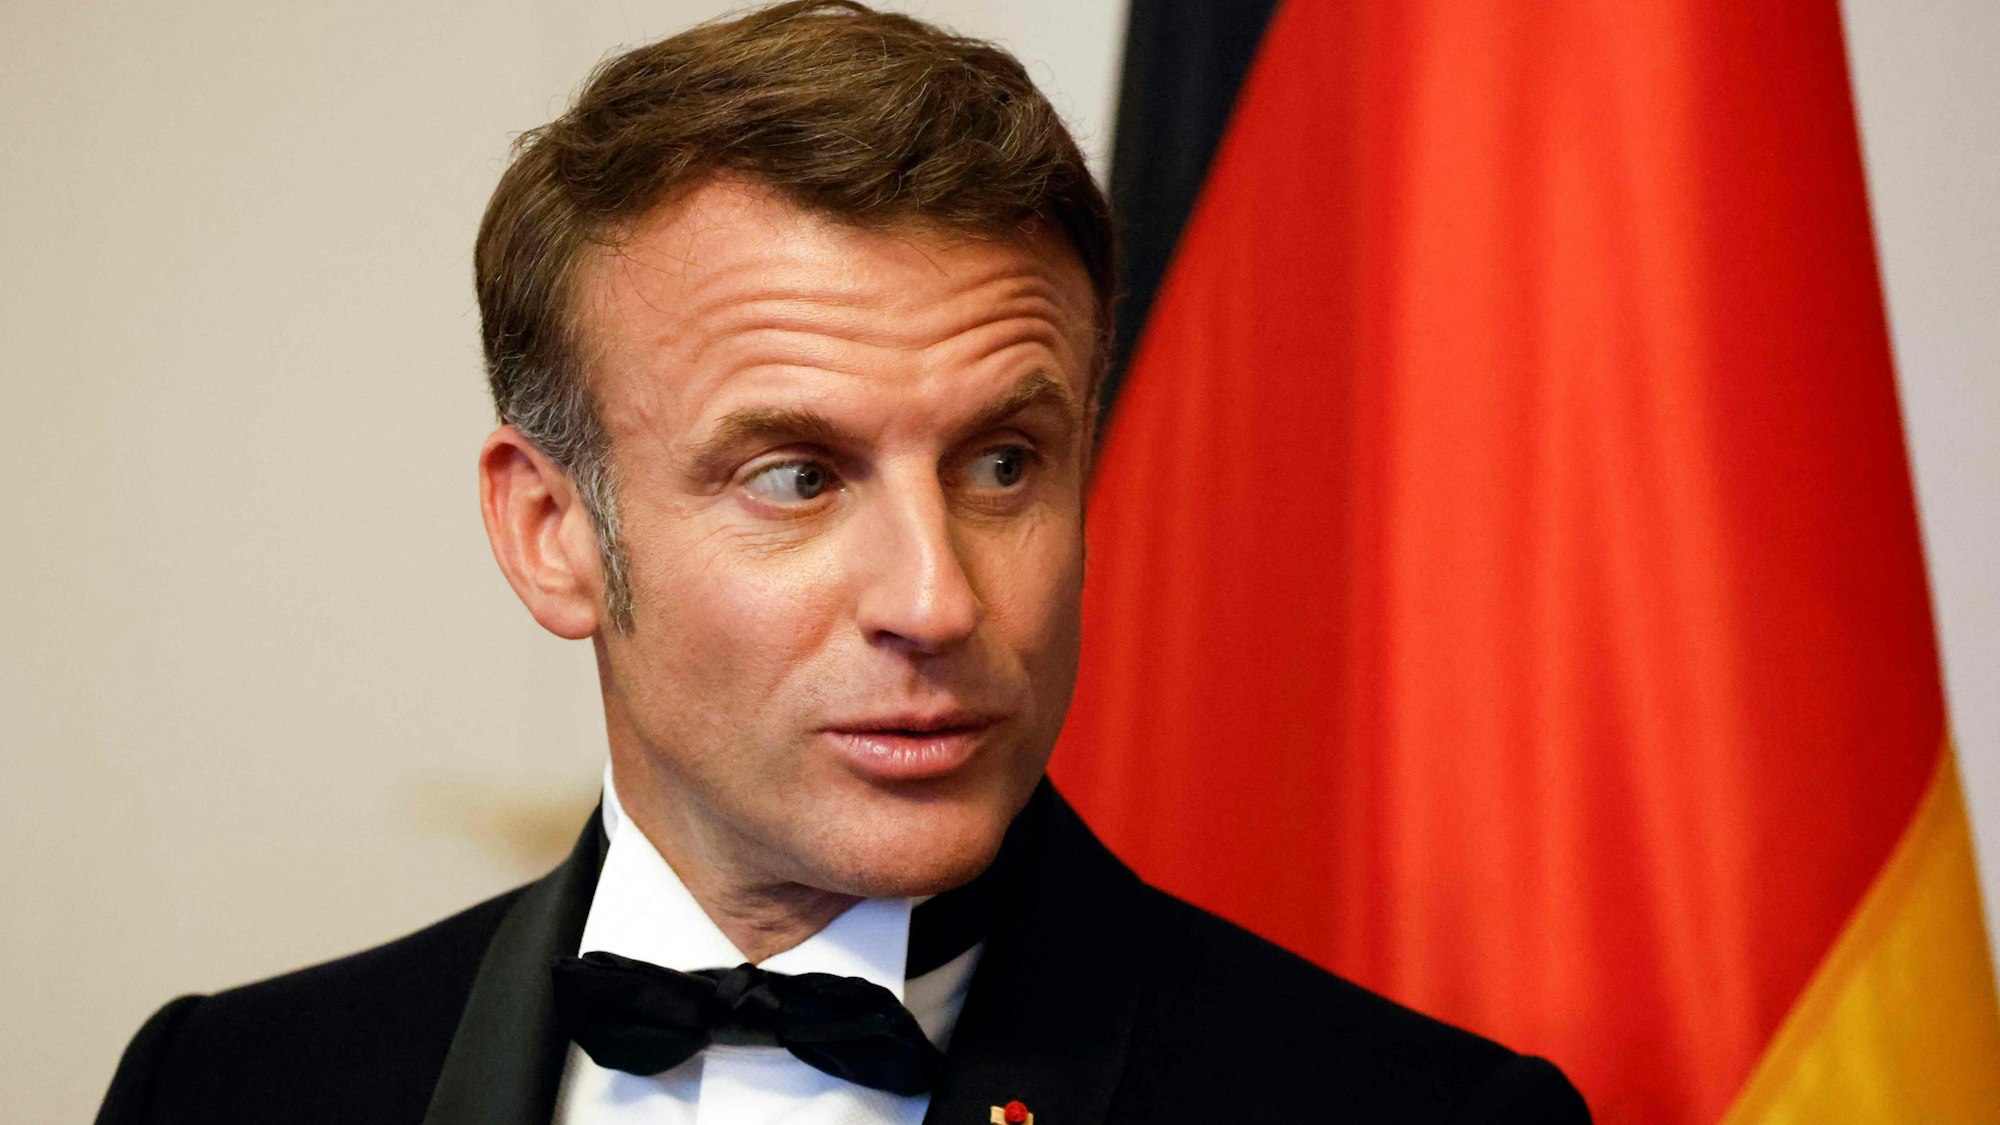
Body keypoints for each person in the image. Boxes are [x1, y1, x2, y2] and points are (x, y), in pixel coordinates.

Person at [94, 3, 1591, 1122]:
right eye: (796, 476)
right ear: (554, 536)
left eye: (1004, 463)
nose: (937, 600)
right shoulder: (221, 1087)